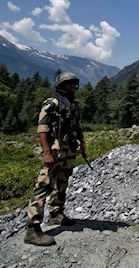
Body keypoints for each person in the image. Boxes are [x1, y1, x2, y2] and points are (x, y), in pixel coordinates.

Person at [24, 72, 86, 246]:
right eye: (68, 84)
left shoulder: (72, 104)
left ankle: (56, 214)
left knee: (62, 182)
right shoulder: (52, 104)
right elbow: (42, 129)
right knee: (43, 185)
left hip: (69, 149)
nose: (72, 86)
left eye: (74, 83)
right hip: (55, 150)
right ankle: (32, 229)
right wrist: (47, 153)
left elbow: (76, 126)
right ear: (60, 85)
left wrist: (82, 142)